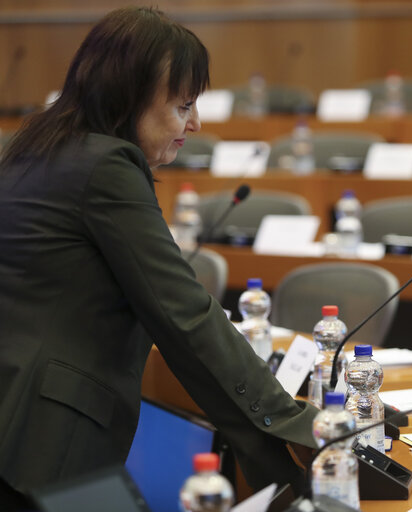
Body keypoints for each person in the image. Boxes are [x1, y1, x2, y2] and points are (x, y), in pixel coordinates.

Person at [0, 7, 316, 508]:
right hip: (41, 445)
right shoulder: (107, 165)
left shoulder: (34, 146)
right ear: (129, 96)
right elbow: (183, 314)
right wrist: (294, 425)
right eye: (183, 104)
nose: (195, 122)